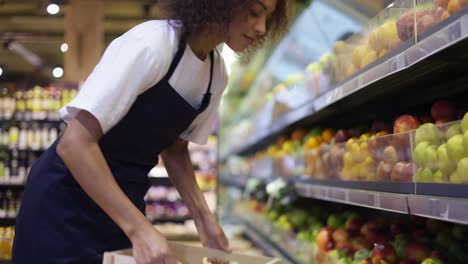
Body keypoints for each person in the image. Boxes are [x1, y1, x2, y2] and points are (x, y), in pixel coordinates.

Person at [12, 0, 289, 263]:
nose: (261, 27)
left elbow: (175, 151)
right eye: (254, 11)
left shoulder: (216, 75)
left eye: (268, 18)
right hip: (64, 206)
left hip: (123, 204)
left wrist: (205, 220)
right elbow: (74, 144)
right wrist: (139, 229)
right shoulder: (153, 44)